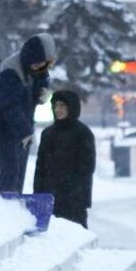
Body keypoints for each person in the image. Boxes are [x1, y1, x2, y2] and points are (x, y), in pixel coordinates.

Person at [0, 33, 55, 193]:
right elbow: (9, 106)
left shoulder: (38, 67)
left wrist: (41, 93)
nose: (41, 69)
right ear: (30, 59)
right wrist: (25, 131)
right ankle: (7, 204)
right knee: (11, 167)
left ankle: (16, 200)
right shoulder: (10, 71)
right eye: (38, 65)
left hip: (21, 123)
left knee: (20, 168)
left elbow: (40, 84)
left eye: (45, 65)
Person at [32, 89, 96, 228]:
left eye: (62, 106)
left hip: (74, 200)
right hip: (49, 199)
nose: (58, 109)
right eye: (55, 105)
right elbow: (40, 167)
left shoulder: (83, 133)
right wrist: (37, 195)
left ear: (71, 107)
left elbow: (87, 167)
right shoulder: (48, 133)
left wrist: (77, 194)